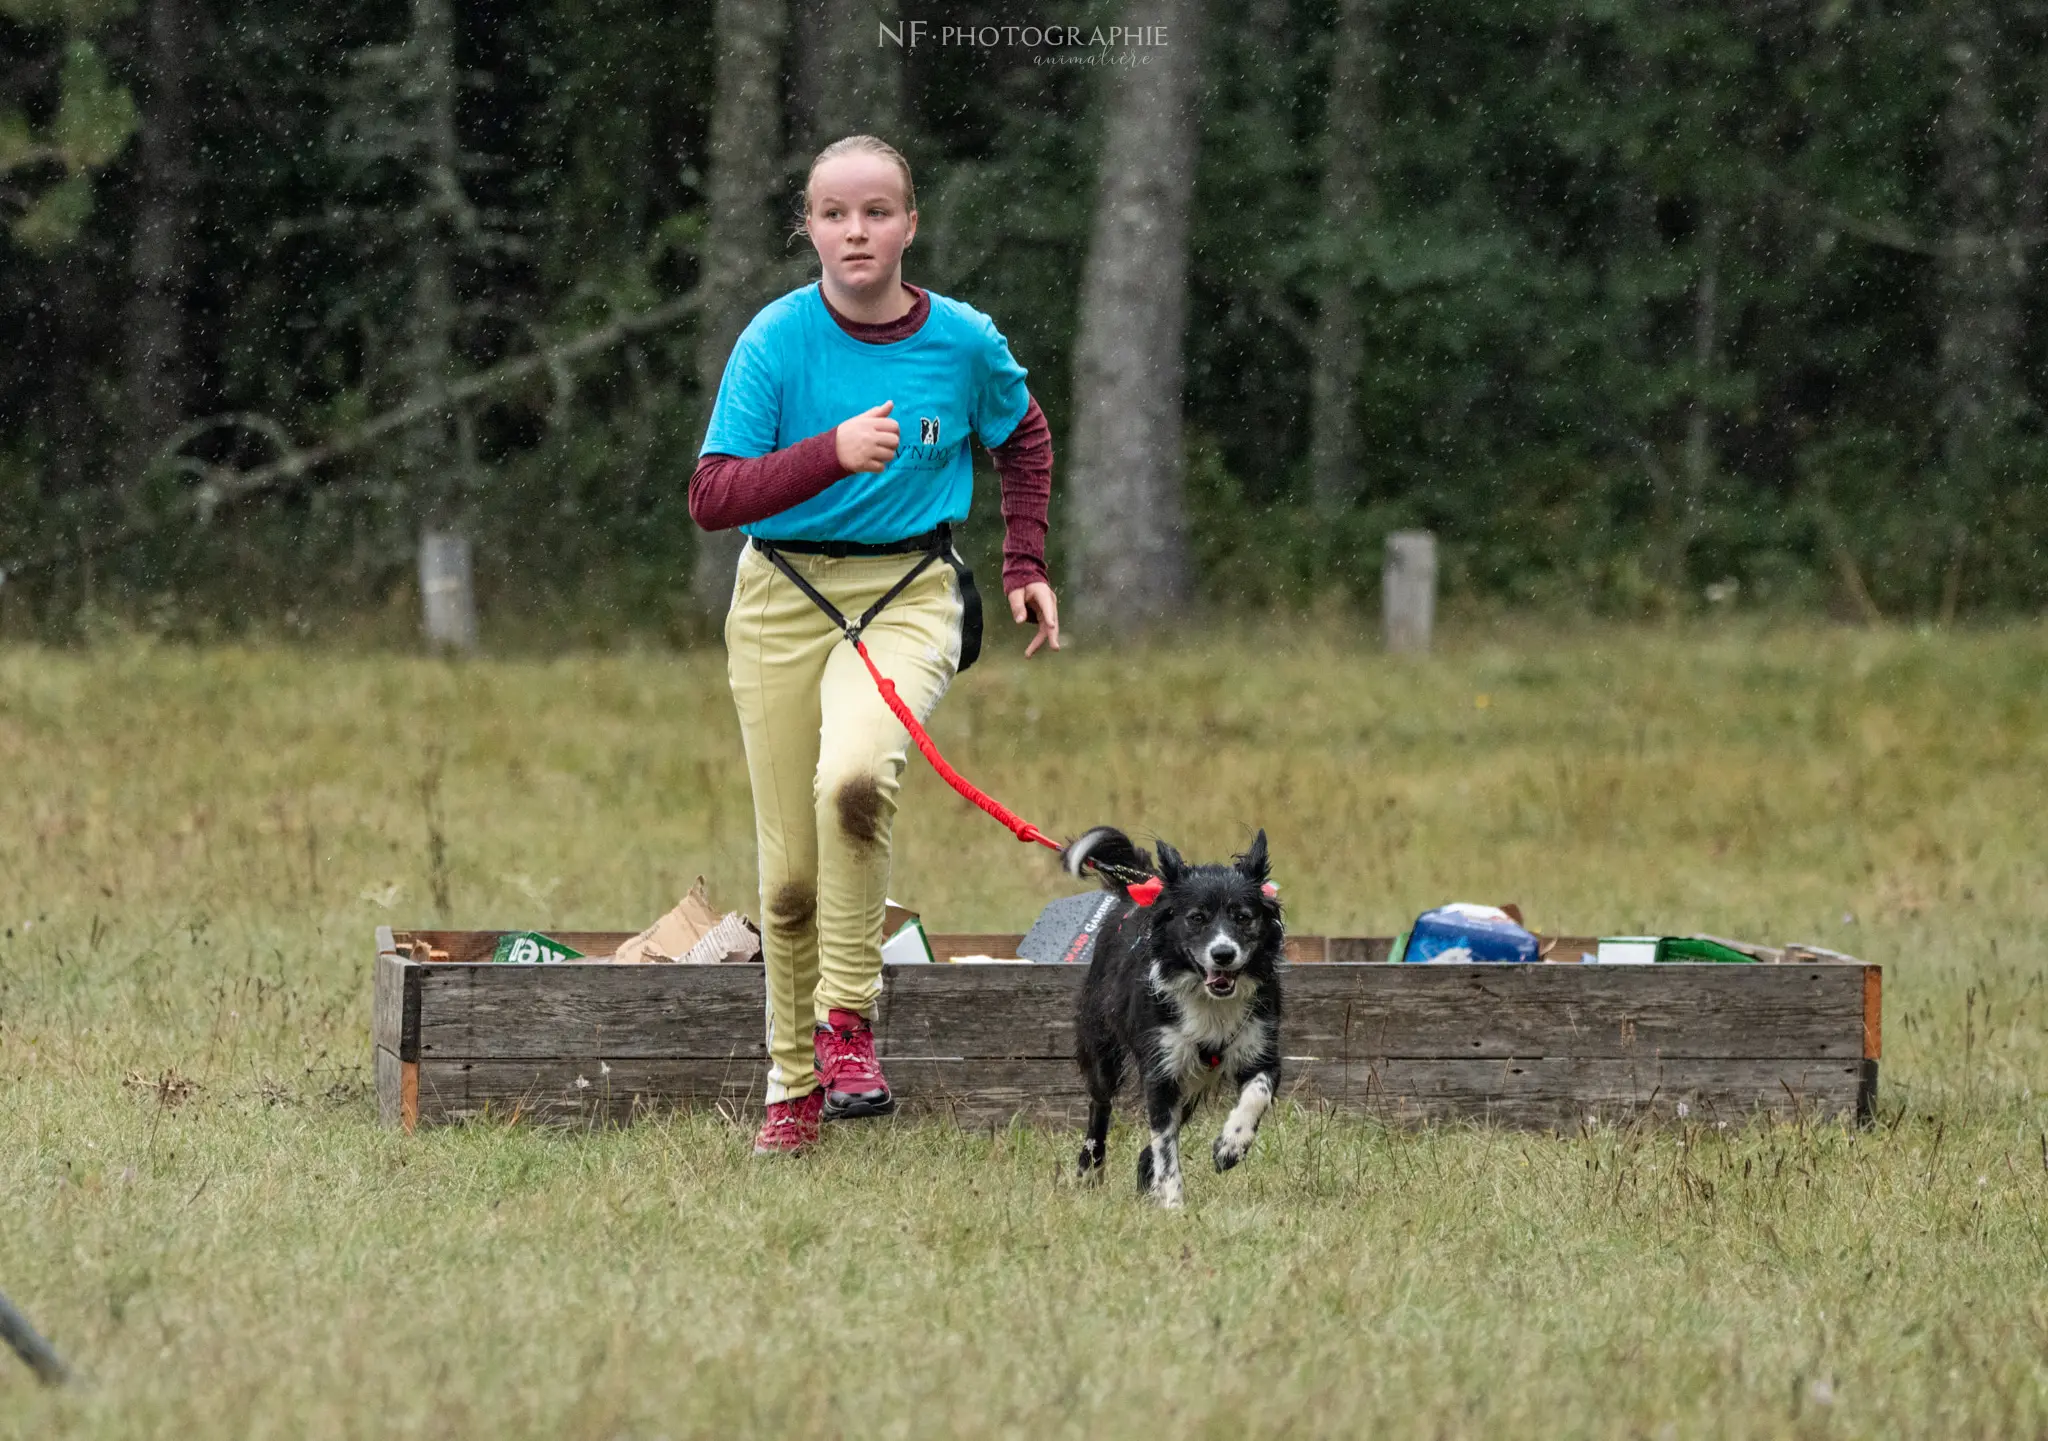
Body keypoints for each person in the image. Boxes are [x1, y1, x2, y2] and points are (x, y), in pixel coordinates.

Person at [690, 134, 1061, 1157]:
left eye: (877, 211)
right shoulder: (774, 340)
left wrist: (1023, 562)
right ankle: (792, 1088)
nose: (856, 231)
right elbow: (711, 496)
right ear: (807, 227)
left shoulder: (963, 340)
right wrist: (829, 454)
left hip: (908, 588)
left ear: (909, 223)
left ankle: (847, 1023)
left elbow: (1021, 435)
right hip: (781, 593)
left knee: (854, 777)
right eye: (833, 213)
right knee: (788, 877)